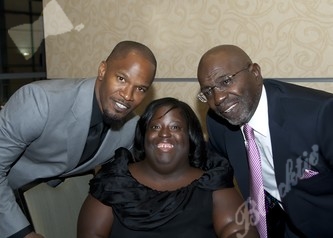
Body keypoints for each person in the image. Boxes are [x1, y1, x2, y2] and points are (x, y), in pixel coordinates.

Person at [0, 40, 157, 238]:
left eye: (140, 88)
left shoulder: (130, 129)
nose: (127, 95)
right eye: (121, 79)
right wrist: (22, 234)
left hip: (46, 210)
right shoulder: (39, 100)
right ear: (102, 70)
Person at [196, 44, 333, 237]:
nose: (218, 98)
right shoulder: (218, 123)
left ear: (255, 72)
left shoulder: (321, 115)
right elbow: (214, 177)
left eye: (225, 81)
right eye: (208, 92)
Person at [77, 97, 259, 238]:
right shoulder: (112, 182)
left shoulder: (214, 185)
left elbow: (238, 231)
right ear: (144, 135)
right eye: (155, 126)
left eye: (175, 127)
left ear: (190, 137)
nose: (164, 134)